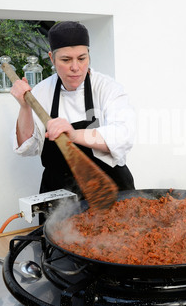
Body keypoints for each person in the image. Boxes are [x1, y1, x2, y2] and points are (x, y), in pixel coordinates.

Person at [11, 21, 135, 209]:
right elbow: (28, 147)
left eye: (82, 58)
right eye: (66, 60)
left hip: (110, 190)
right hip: (59, 196)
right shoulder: (42, 91)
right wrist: (24, 108)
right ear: (52, 58)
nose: (75, 67)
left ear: (89, 55)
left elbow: (123, 135)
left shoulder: (107, 88)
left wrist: (74, 134)